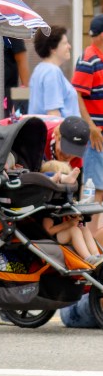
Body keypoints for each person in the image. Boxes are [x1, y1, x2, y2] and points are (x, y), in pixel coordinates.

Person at [72, 14, 103, 232]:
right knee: (94, 188)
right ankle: (88, 236)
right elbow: (78, 94)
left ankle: (94, 239)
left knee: (100, 188)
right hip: (96, 135)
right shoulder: (89, 58)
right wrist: (91, 127)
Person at [28, 26, 80, 118]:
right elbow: (53, 114)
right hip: (60, 127)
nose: (69, 46)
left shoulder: (39, 69)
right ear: (53, 48)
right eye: (65, 43)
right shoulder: (52, 72)